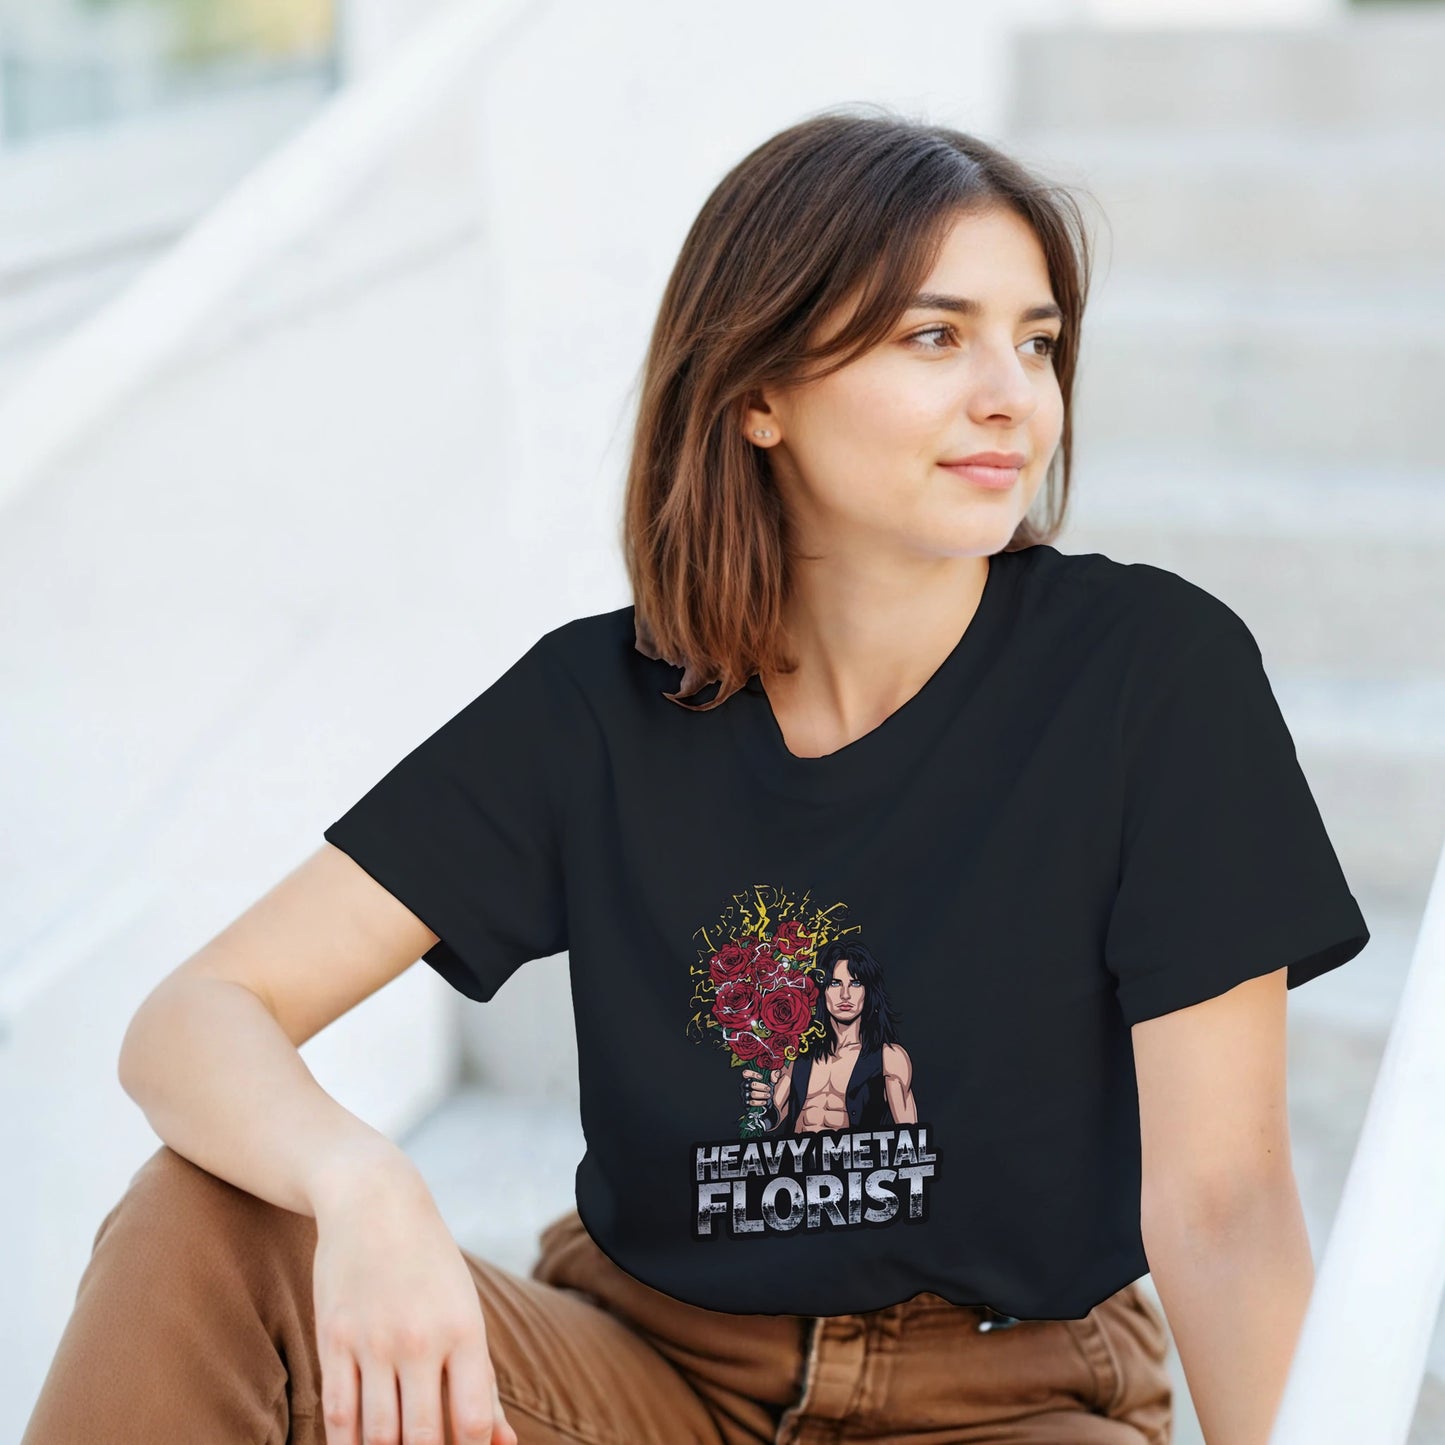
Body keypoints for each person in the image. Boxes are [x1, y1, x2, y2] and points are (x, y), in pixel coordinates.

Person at [22, 104, 1371, 1445]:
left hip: (1005, 1397)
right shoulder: (598, 708)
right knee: (205, 1218)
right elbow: (196, 1013)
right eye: (933, 335)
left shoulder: (1146, 675)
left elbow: (1222, 1201)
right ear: (757, 392)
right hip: (643, 1373)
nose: (1010, 394)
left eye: (1035, 341)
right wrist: (360, 1178)